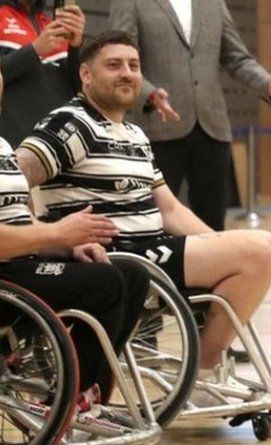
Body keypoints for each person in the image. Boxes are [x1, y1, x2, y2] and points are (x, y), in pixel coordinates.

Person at [16, 30, 271, 380]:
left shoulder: (134, 134)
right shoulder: (72, 123)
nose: (127, 73)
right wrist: (52, 238)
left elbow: (170, 210)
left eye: (134, 65)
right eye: (113, 65)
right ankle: (203, 370)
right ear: (86, 74)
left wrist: (218, 245)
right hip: (119, 256)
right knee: (263, 249)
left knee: (256, 252)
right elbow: (11, 179)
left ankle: (205, 365)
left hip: (153, 249)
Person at [108, 0, 271, 231]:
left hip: (212, 127)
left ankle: (209, 282)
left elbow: (237, 58)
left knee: (212, 223)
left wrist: (268, 84)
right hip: (158, 126)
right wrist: (148, 93)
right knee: (155, 221)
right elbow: (119, 58)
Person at [0, 67, 149, 420]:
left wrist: (67, 247)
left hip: (19, 263)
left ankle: (90, 397)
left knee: (130, 273)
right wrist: (55, 233)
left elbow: (21, 222)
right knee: (105, 283)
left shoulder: (3, 144)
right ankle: (66, 400)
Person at [0, 0, 86, 146]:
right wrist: (35, 49)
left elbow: (82, 91)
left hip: (61, 148)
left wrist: (76, 47)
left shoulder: (53, 23)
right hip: (13, 149)